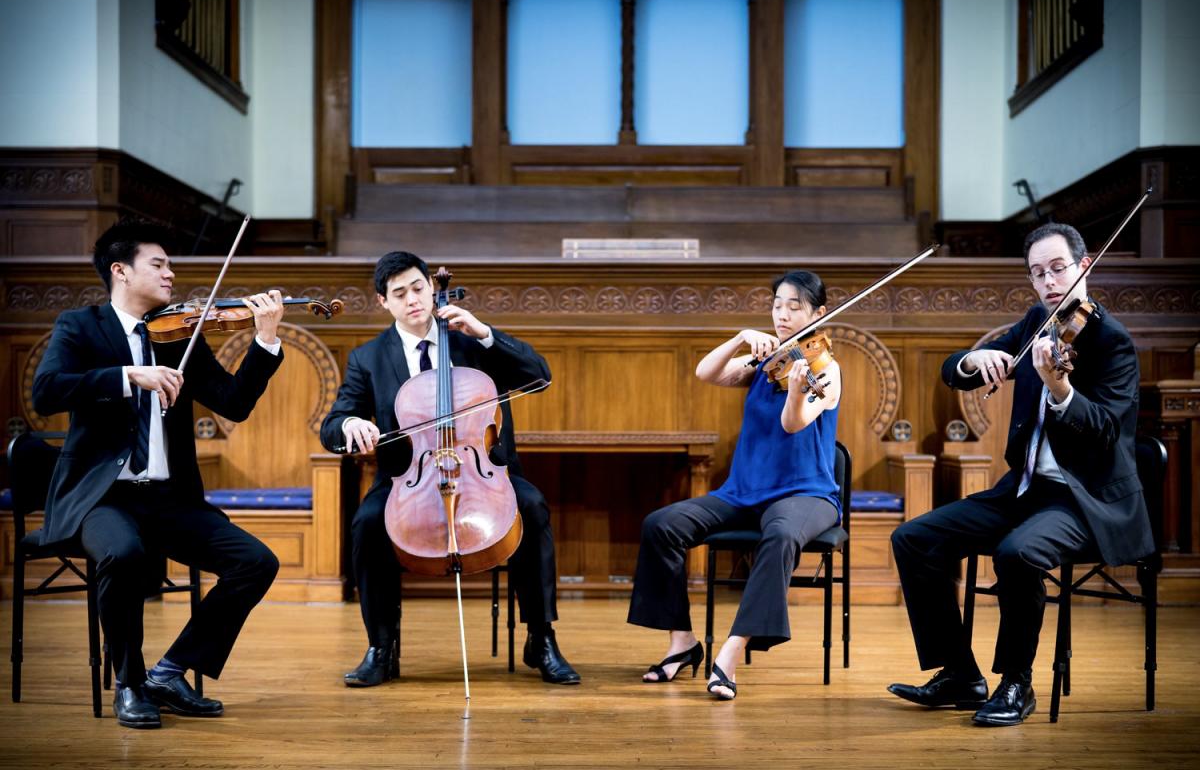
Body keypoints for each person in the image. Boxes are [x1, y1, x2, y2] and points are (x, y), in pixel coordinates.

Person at [887, 223, 1153, 726]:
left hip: (1085, 499)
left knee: (1018, 553)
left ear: (1084, 266)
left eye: (1058, 269)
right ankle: (961, 674)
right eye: (1037, 273)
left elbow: (1105, 430)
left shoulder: (1113, 344)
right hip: (1026, 490)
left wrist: (1060, 390)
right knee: (914, 538)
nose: (1049, 281)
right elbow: (953, 369)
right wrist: (973, 358)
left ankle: (1016, 683)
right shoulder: (1039, 320)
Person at [32, 220, 285, 728]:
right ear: (120, 271)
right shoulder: (80, 326)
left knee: (256, 562)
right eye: (159, 263)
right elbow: (47, 391)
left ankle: (168, 673)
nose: (171, 274)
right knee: (123, 553)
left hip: (169, 500)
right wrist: (129, 376)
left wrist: (265, 339)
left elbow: (233, 404)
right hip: (102, 497)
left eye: (170, 264)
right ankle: (128, 682)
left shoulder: (177, 334)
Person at [319, 251, 579, 686]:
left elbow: (539, 376)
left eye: (418, 288)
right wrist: (351, 423)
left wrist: (486, 333)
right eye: (399, 294)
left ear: (430, 286)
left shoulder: (468, 340)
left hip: (486, 473)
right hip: (409, 478)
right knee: (366, 523)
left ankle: (542, 637)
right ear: (384, 302)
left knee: (532, 509)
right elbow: (332, 425)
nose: (413, 300)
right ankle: (381, 647)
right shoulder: (368, 359)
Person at [627, 270, 843, 700]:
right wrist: (741, 338)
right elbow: (706, 372)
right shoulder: (764, 362)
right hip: (744, 491)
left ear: (818, 313)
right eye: (777, 305)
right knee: (660, 524)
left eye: (794, 307)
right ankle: (682, 643)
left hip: (807, 493)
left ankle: (729, 652)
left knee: (780, 534)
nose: (782, 315)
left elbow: (793, 422)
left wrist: (798, 390)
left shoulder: (827, 369)